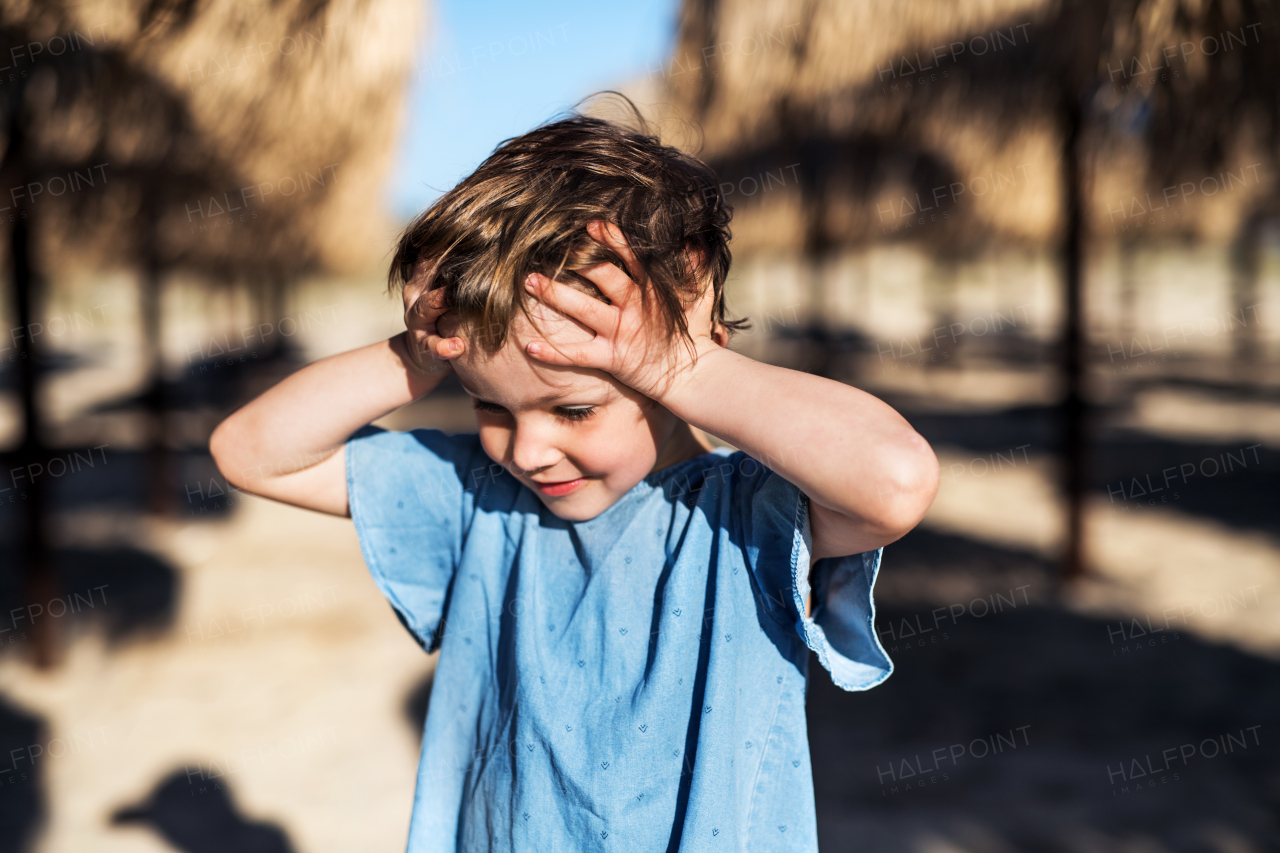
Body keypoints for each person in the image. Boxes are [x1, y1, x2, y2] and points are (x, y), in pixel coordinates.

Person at [210, 102, 939, 852]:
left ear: (692, 356)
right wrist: (422, 351)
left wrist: (674, 362)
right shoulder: (483, 501)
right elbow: (251, 452)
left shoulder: (748, 515)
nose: (527, 449)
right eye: (488, 404)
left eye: (575, 408)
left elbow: (895, 480)